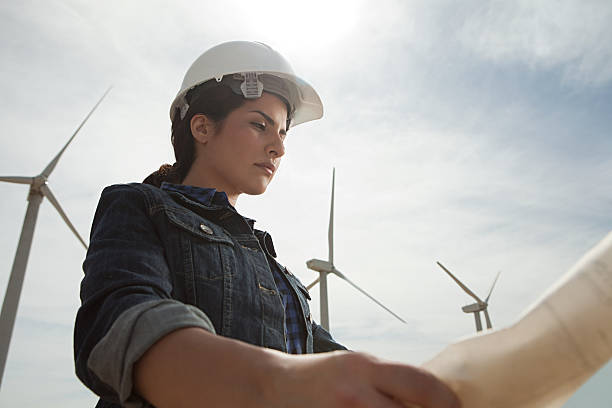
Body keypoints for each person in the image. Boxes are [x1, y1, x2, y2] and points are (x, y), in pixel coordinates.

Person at [73, 41, 460, 408]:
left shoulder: (282, 276)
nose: (279, 147)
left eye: (282, 132)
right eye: (260, 125)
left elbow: (335, 371)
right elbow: (117, 325)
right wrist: (276, 382)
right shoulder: (140, 205)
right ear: (202, 128)